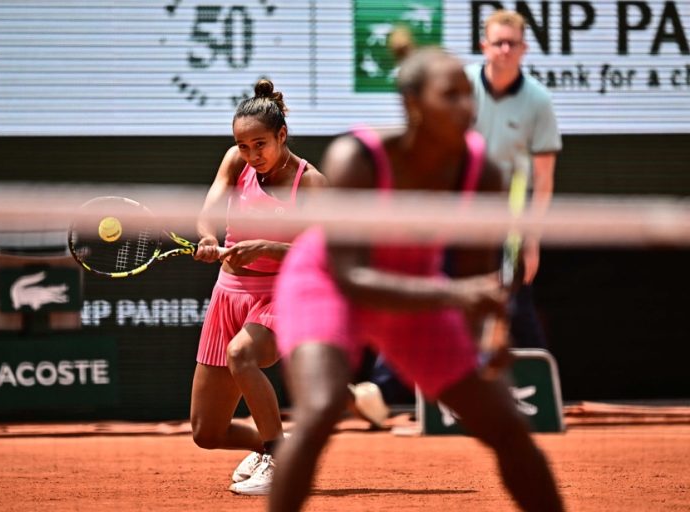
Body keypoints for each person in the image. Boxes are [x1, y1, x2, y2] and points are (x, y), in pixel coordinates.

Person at [268, 48, 565, 512]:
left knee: (507, 427)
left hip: (419, 292)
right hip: (327, 285)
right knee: (321, 408)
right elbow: (350, 277)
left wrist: (487, 336)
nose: (468, 106)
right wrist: (456, 295)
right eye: (451, 96)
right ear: (412, 105)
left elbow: (475, 279)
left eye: (469, 95)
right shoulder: (357, 158)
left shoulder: (481, 172)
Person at [191, 78, 327, 496]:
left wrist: (270, 247)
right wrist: (209, 238)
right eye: (244, 146)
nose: (252, 155)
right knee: (206, 432)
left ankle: (277, 454)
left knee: (242, 354)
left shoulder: (312, 183)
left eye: (261, 145)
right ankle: (273, 444)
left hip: (282, 296)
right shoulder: (235, 162)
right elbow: (207, 213)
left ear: (282, 135)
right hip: (228, 295)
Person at [466, 9, 563, 348]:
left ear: (524, 49)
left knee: (515, 309)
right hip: (458, 216)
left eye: (513, 44)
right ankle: (381, 393)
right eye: (498, 43)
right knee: (436, 301)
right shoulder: (459, 88)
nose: (505, 50)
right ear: (484, 46)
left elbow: (545, 179)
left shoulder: (538, 101)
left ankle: (540, 393)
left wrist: (532, 240)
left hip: (511, 225)